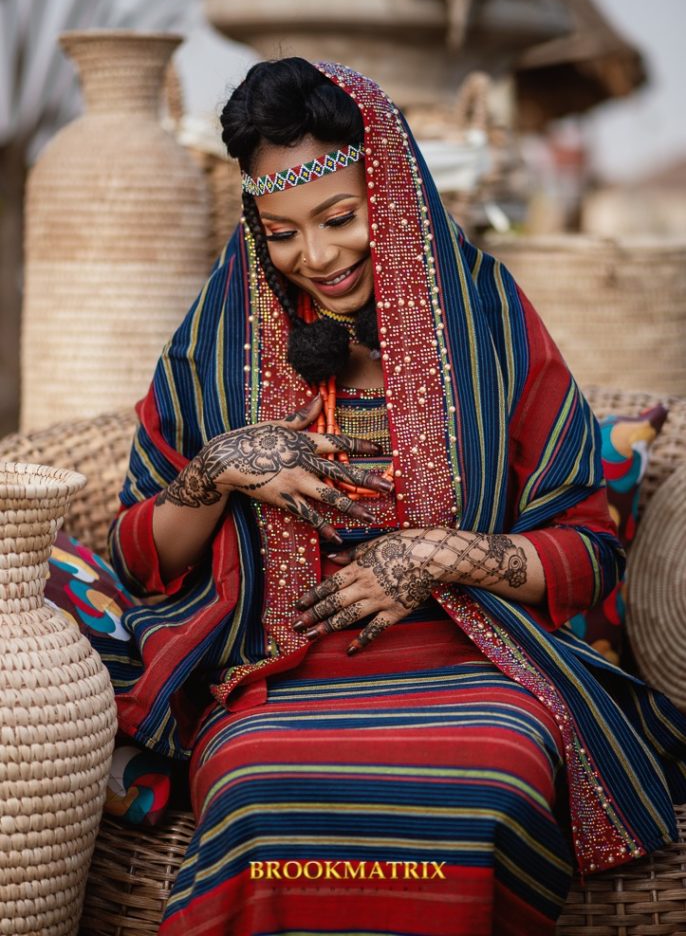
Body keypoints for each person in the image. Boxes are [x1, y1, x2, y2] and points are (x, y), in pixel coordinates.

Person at [102, 57, 686, 936]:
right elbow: (141, 556)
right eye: (284, 232)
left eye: (340, 217)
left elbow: (587, 547)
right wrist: (217, 466)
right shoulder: (215, 341)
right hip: (278, 671)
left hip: (478, 663)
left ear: (395, 190)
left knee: (490, 778)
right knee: (261, 791)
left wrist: (437, 555)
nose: (319, 256)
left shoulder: (490, 318)